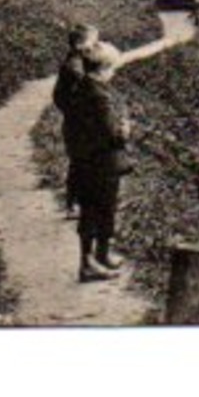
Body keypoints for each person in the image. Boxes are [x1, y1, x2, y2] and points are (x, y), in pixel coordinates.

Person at [65, 41, 131, 283]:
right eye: (112, 69)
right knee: (99, 211)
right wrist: (125, 130)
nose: (113, 74)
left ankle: (100, 256)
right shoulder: (99, 97)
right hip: (101, 163)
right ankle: (89, 263)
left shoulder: (82, 88)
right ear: (103, 69)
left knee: (97, 211)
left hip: (85, 159)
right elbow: (112, 134)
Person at [52, 24, 99, 218]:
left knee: (81, 162)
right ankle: (75, 204)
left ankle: (78, 203)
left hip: (76, 122)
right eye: (93, 41)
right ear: (80, 44)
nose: (95, 45)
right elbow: (64, 96)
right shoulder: (74, 67)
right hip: (78, 124)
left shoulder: (76, 62)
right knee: (81, 163)